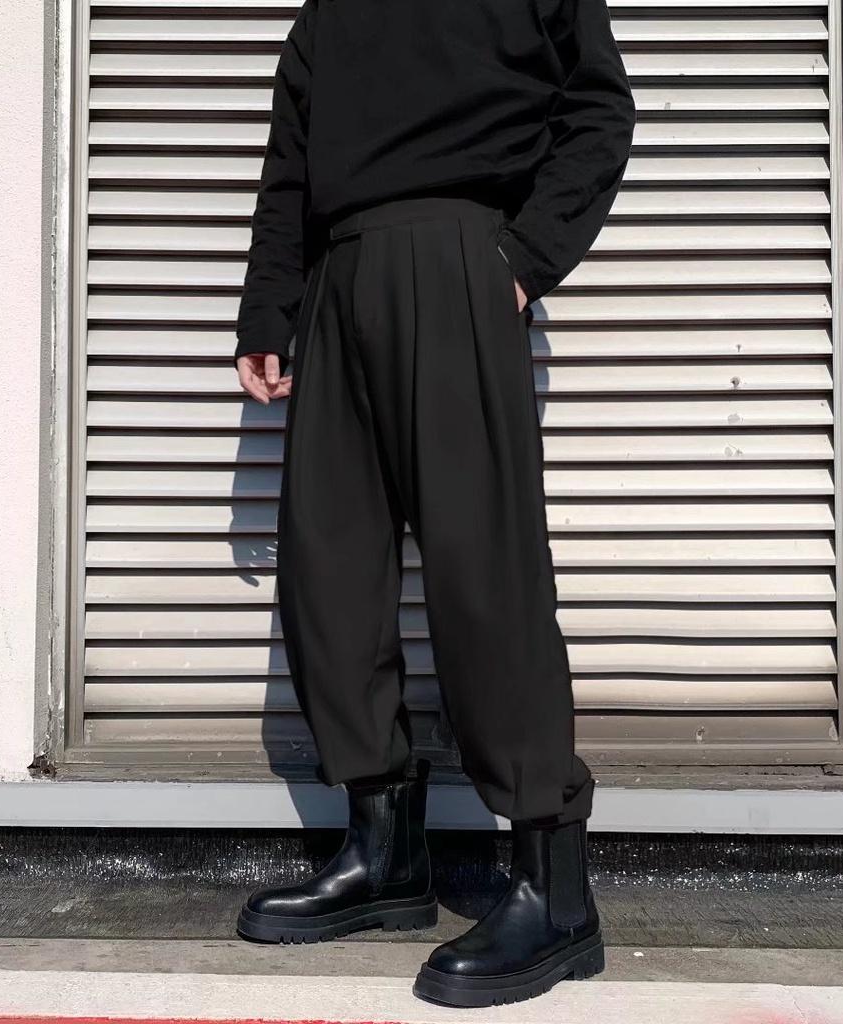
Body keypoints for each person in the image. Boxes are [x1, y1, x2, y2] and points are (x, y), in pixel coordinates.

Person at [233, 0, 635, 1007]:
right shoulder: (329, 13)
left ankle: (555, 887)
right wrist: (269, 304)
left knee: (483, 574)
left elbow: (598, 109)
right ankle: (385, 855)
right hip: (337, 274)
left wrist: (524, 260)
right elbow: (290, 162)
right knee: (327, 568)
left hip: (461, 259)